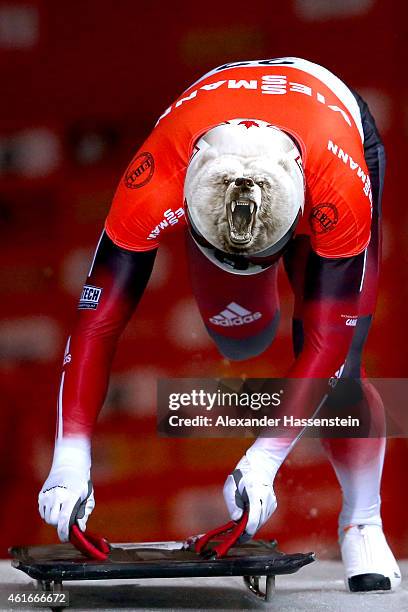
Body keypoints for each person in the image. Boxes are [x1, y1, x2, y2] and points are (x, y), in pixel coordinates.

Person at [38, 57, 400, 592]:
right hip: (211, 142)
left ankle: (364, 522)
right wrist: (69, 459)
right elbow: (96, 324)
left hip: (330, 142)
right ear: (186, 201)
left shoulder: (339, 186)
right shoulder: (156, 176)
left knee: (342, 378)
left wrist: (264, 458)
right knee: (243, 334)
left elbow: (329, 341)